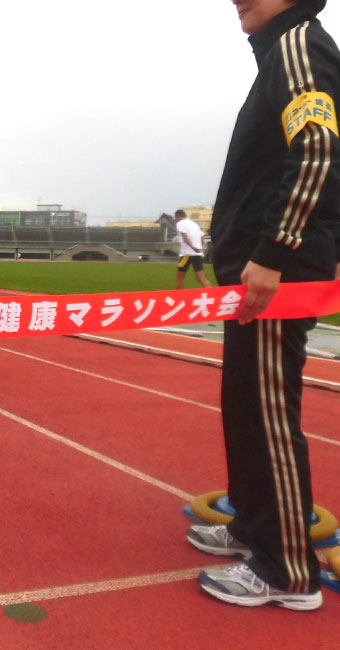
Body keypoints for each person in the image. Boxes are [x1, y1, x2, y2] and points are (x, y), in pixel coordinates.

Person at [186, 0, 339, 611]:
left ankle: (286, 570)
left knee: (269, 414)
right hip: (255, 276)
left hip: (274, 276)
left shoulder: (299, 43)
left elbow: (319, 151)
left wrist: (277, 250)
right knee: (246, 406)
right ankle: (253, 526)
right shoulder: (279, 54)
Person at [174, 209, 212, 289]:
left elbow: (184, 236)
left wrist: (192, 247)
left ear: (178, 217)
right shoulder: (194, 224)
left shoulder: (180, 223)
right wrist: (199, 248)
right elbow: (202, 237)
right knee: (202, 279)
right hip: (197, 254)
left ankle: (179, 295)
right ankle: (211, 293)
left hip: (186, 254)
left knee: (180, 278)